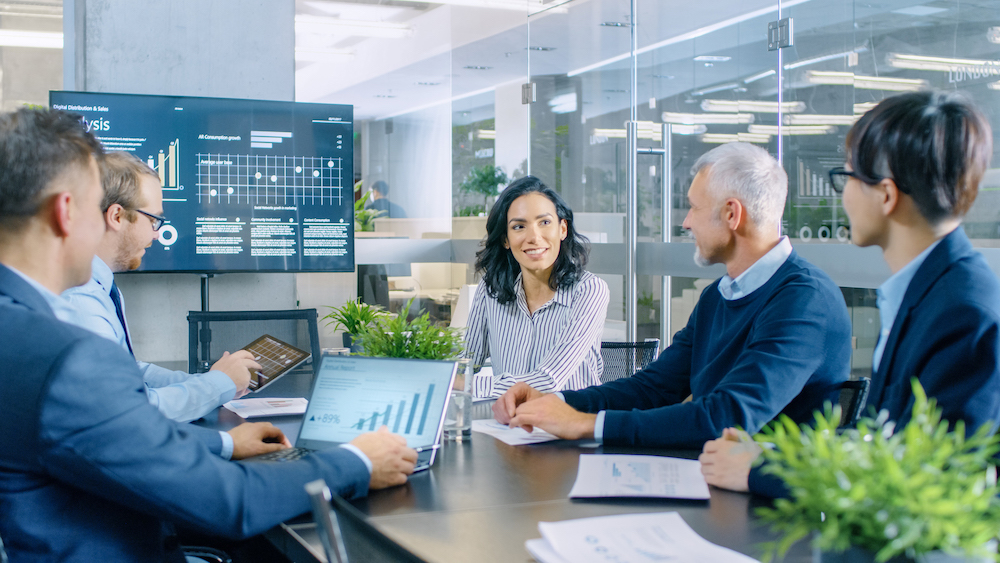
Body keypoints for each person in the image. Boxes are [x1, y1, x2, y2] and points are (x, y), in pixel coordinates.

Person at [0, 108, 417, 562]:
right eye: (94, 207)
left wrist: (222, 442)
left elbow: (102, 440)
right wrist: (357, 461)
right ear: (66, 213)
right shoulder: (65, 358)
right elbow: (230, 502)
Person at [700, 90, 1000, 497]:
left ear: (887, 196)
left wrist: (762, 470)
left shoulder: (962, 312)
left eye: (847, 178)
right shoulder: (928, 291)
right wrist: (767, 453)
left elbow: (931, 482)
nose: (842, 195)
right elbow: (883, 441)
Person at [495, 143, 852, 449]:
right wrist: (556, 400)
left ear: (731, 214)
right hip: (710, 481)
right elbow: (654, 387)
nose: (685, 222)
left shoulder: (804, 301)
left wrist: (586, 425)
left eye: (694, 208)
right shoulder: (719, 296)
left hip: (772, 512)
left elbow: (725, 417)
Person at [63, 151, 253, 423]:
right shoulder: (80, 301)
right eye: (153, 220)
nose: (156, 234)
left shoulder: (98, 286)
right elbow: (129, 412)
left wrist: (211, 382)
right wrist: (218, 384)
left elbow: (128, 372)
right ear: (116, 216)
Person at [463, 175, 609, 398]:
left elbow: (548, 380)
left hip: (570, 426)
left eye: (545, 222)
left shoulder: (589, 291)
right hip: (510, 423)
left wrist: (467, 386)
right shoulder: (490, 288)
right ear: (505, 239)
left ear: (563, 229)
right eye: (519, 226)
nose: (534, 237)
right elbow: (465, 363)